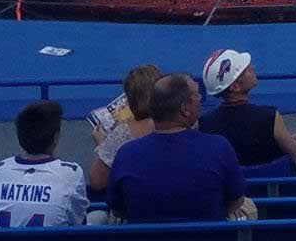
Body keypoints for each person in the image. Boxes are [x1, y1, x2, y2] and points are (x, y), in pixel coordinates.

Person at [106, 72, 249, 223]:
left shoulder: (126, 154)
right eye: (197, 94)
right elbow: (235, 201)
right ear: (185, 109)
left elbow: (118, 209)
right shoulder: (219, 147)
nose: (200, 99)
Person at [0, 98, 89, 229]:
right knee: (99, 216)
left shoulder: (1, 169)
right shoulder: (71, 172)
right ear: (55, 137)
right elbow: (78, 221)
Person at [200, 47, 296, 170]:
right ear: (235, 87)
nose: (252, 68)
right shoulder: (270, 116)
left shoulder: (205, 124)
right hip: (272, 187)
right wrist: (294, 142)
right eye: (246, 70)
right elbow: (293, 154)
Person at [88, 64, 159, 193]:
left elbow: (97, 182)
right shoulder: (182, 124)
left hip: (132, 207)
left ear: (129, 99)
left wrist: (101, 145)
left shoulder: (121, 133)